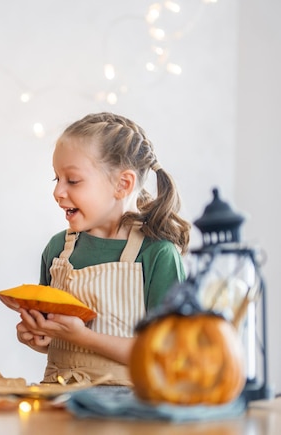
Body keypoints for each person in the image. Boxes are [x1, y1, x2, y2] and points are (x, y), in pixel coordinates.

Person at [16, 112, 190, 386]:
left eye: (72, 180)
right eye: (56, 179)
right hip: (57, 407)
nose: (58, 191)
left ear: (123, 184)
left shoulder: (158, 255)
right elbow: (53, 338)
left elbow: (166, 354)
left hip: (128, 415)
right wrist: (39, 336)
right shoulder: (58, 249)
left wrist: (83, 337)